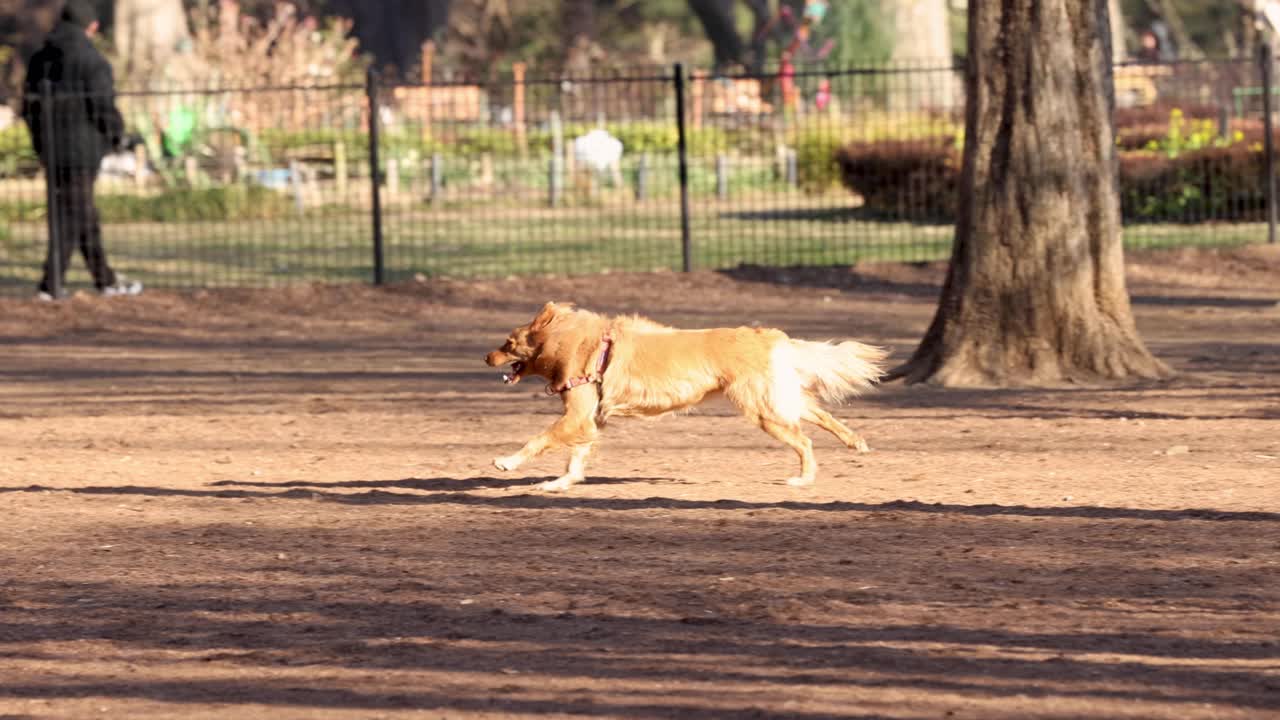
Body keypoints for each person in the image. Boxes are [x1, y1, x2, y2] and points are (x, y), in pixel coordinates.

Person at [22, 0, 141, 300]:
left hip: (51, 149)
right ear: (92, 26)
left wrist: (40, 143)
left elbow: (29, 106)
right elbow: (102, 106)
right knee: (74, 215)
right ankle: (52, 284)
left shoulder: (40, 59)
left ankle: (105, 279)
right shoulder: (92, 60)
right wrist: (117, 137)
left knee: (79, 214)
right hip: (82, 151)